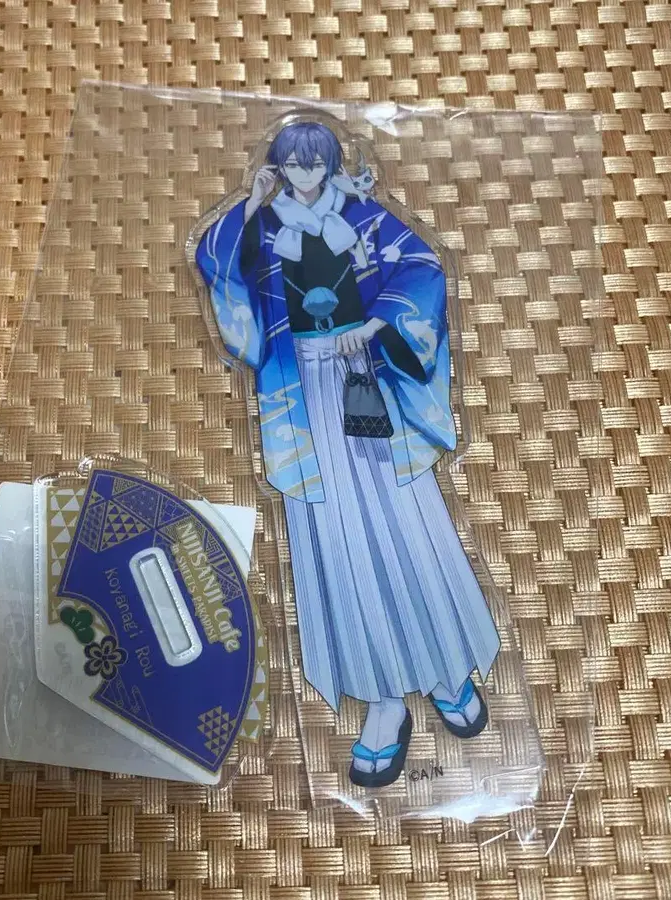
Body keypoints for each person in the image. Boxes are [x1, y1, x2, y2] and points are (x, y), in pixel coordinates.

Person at [195, 120, 501, 788]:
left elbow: (422, 267)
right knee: (334, 540)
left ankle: (447, 668)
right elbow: (216, 264)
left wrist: (377, 321)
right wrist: (248, 206)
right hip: (302, 394)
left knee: (408, 521)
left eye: (316, 164)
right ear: (278, 167)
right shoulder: (263, 225)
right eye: (292, 164)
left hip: (371, 376)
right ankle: (382, 700)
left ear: (332, 165)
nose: (305, 176)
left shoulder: (362, 215)